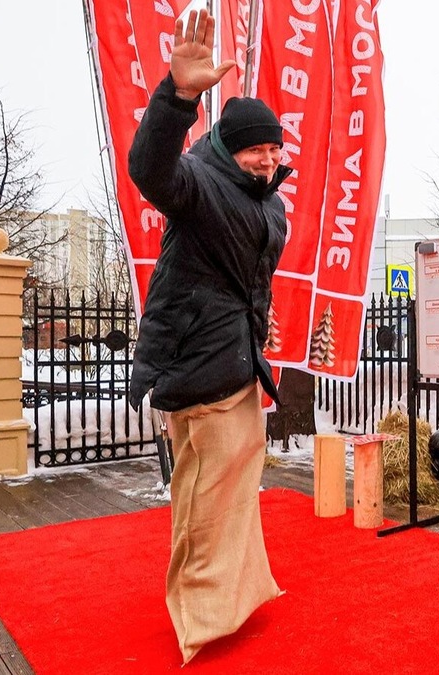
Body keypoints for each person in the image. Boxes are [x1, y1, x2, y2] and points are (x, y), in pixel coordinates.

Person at [125, 8, 289, 663]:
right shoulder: (200, 183)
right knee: (206, 494)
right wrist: (179, 96)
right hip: (201, 366)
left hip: (238, 361)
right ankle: (200, 614)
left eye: (275, 147)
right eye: (257, 146)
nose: (269, 157)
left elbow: (243, 279)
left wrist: (260, 319)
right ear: (228, 146)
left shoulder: (264, 203)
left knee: (234, 488)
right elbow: (151, 169)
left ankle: (236, 595)